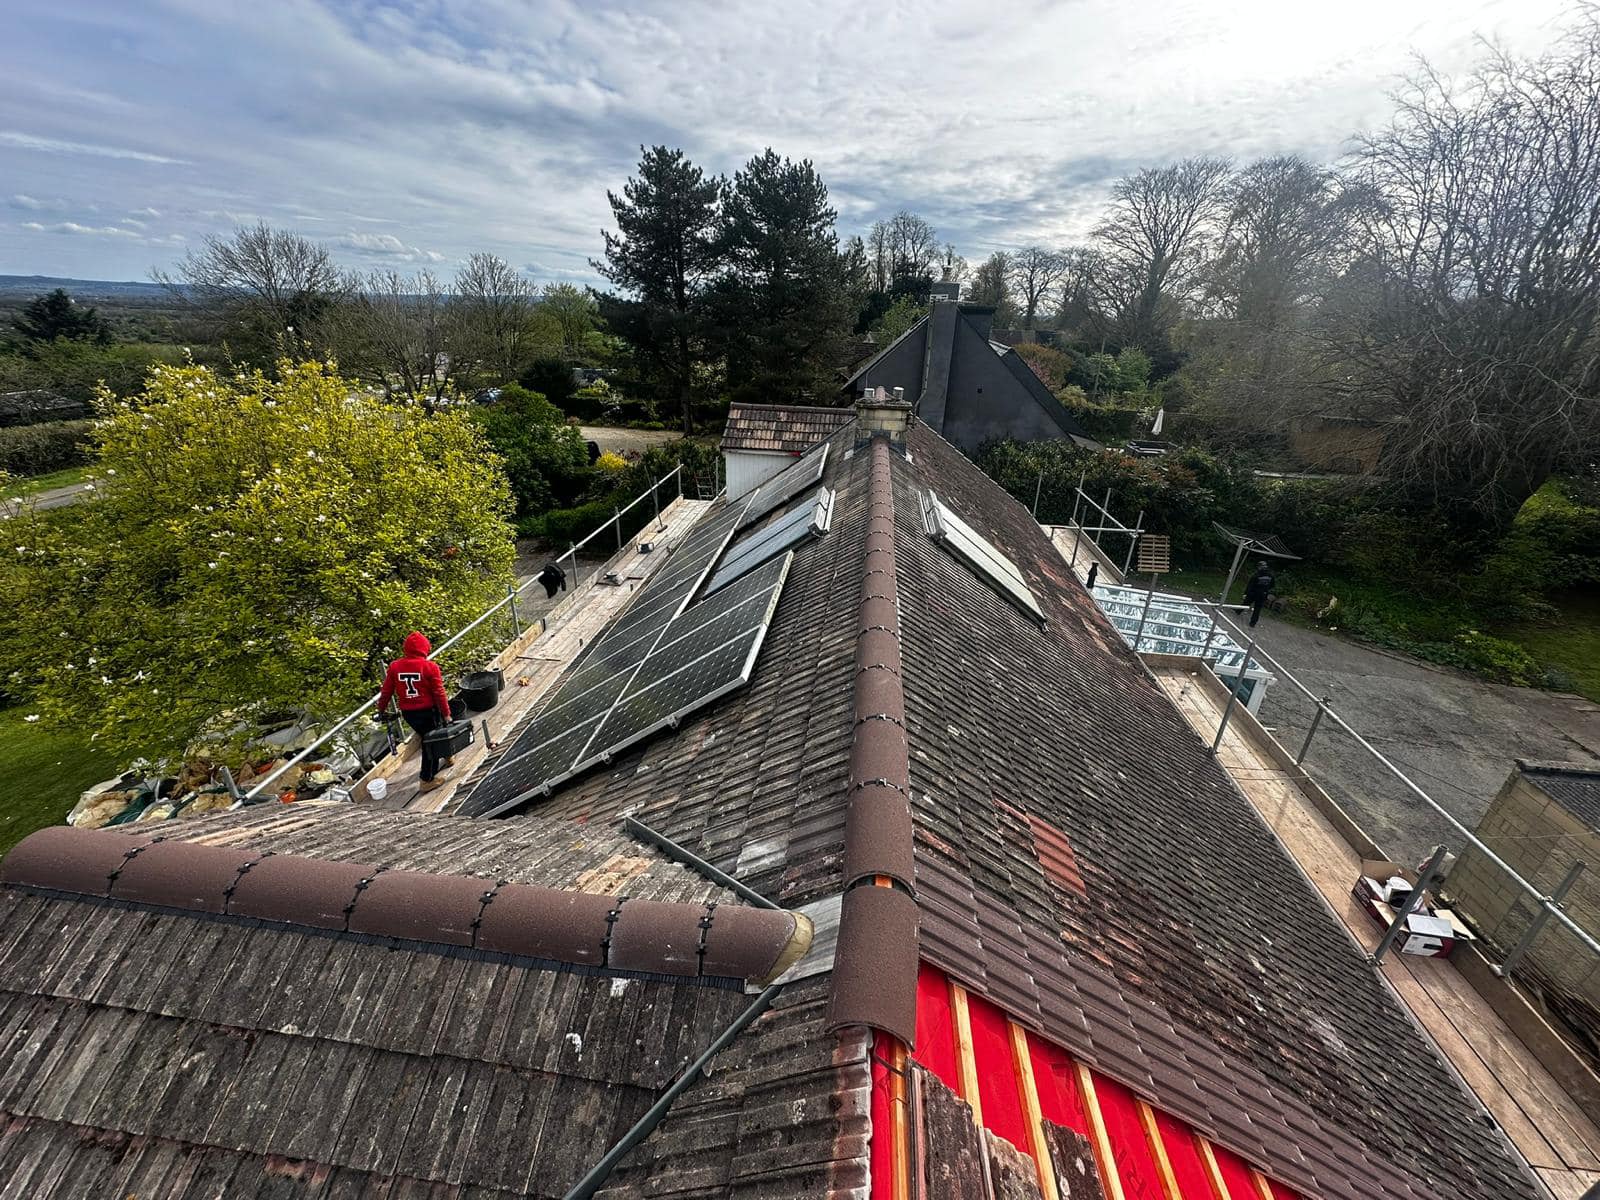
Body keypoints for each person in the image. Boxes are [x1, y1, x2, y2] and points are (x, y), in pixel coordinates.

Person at [377, 631, 454, 791]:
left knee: (429, 737)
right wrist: (446, 713)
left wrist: (381, 709)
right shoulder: (429, 667)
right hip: (428, 710)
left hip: (409, 714)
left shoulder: (395, 666)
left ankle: (447, 755)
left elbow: (386, 691)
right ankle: (426, 779)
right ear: (425, 648)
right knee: (430, 743)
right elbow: (439, 693)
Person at [1243, 560, 1276, 627]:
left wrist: (1246, 593)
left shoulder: (1256, 575)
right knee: (1257, 609)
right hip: (1263, 594)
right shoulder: (1270, 575)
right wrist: (1265, 589)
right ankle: (1253, 623)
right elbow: (1272, 585)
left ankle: (1238, 611)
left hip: (1254, 593)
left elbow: (1250, 585)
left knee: (1246, 603)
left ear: (1260, 567)